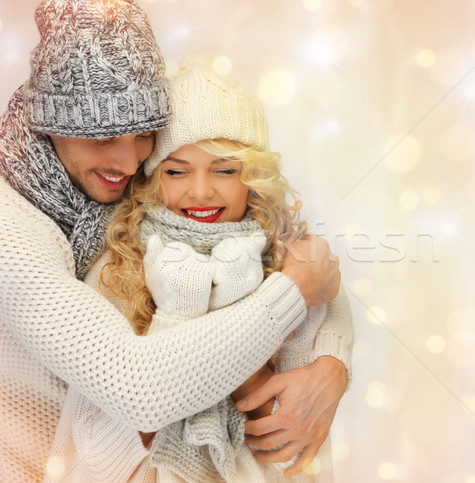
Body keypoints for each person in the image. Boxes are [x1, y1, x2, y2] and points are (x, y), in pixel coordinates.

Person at [0, 1, 351, 481]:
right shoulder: (13, 233)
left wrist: (330, 366)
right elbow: (139, 388)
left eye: (144, 134)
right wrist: (292, 291)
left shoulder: (124, 200)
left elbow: (316, 272)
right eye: (103, 139)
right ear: (50, 126)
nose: (127, 163)